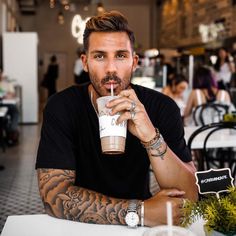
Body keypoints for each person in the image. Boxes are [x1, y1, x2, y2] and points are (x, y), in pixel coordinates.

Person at [36, 11, 198, 228]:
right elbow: (54, 197)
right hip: (77, 225)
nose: (111, 69)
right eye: (100, 56)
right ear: (85, 62)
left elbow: (189, 196)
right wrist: (139, 211)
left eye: (121, 55)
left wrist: (150, 135)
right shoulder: (62, 107)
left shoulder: (161, 107)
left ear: (134, 62)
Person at [0, 68, 19, 145]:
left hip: (7, 103)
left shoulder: (7, 83)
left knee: (14, 110)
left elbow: (13, 94)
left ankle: (12, 130)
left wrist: (6, 95)